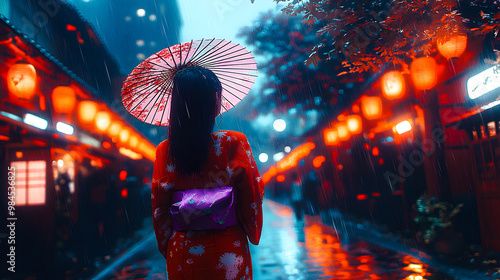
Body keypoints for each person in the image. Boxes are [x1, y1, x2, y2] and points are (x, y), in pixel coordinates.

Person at [151, 66, 264, 280]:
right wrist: (251, 228)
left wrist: (167, 243)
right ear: (214, 101)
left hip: (183, 250)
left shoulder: (164, 150)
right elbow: (252, 195)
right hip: (228, 247)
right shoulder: (233, 142)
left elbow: (159, 209)